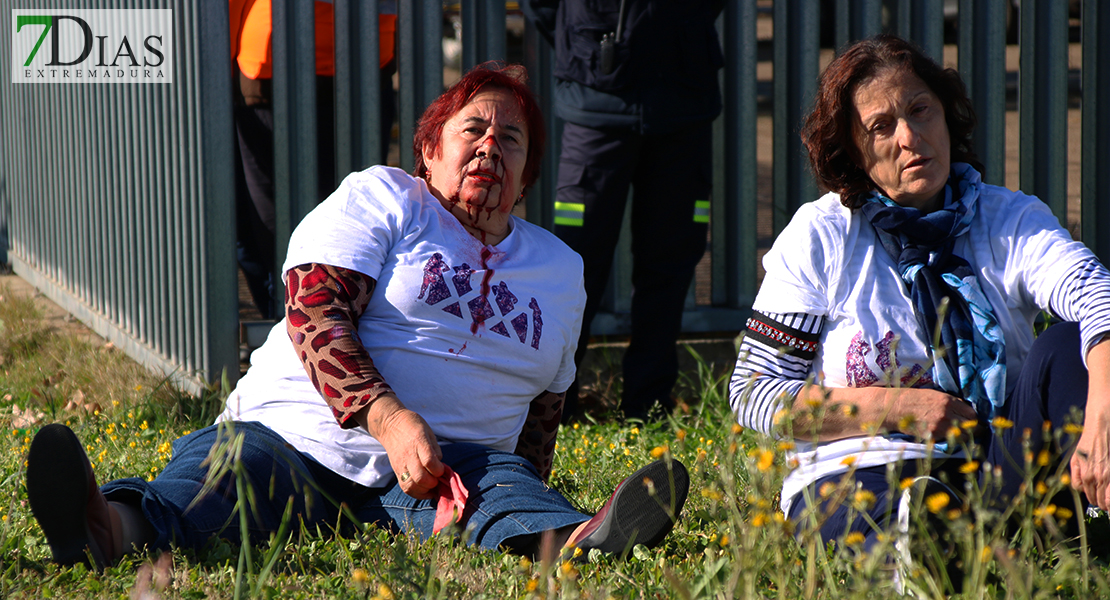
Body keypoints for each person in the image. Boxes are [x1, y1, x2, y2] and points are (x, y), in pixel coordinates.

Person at [24, 63, 689, 570]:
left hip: (442, 473)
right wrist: (391, 422)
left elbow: (546, 407)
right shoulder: (388, 199)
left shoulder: (559, 268)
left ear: (526, 176)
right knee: (215, 484)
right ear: (428, 153)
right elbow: (316, 308)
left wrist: (517, 477)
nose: (491, 146)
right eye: (474, 130)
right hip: (291, 438)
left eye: (510, 139)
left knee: (503, 485)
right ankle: (107, 526)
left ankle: (576, 538)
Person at [729, 34, 1110, 579]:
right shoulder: (822, 236)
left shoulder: (1009, 218)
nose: (909, 137)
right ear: (853, 155)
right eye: (880, 128)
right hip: (860, 470)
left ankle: (982, 537)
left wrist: (1101, 415)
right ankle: (932, 553)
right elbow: (754, 393)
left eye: (919, 110)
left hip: (997, 461)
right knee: (888, 514)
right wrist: (901, 408)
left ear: (947, 117)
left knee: (1070, 346)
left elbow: (1098, 294)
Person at [522, 0, 725, 422]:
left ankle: (648, 408)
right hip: (595, 98)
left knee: (669, 266)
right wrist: (587, 39)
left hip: (682, 100)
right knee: (573, 265)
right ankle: (558, 410)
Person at [229, 0, 398, 318]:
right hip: (362, 56)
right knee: (347, 216)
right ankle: (308, 321)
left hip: (275, 61)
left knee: (275, 221)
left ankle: (289, 320)